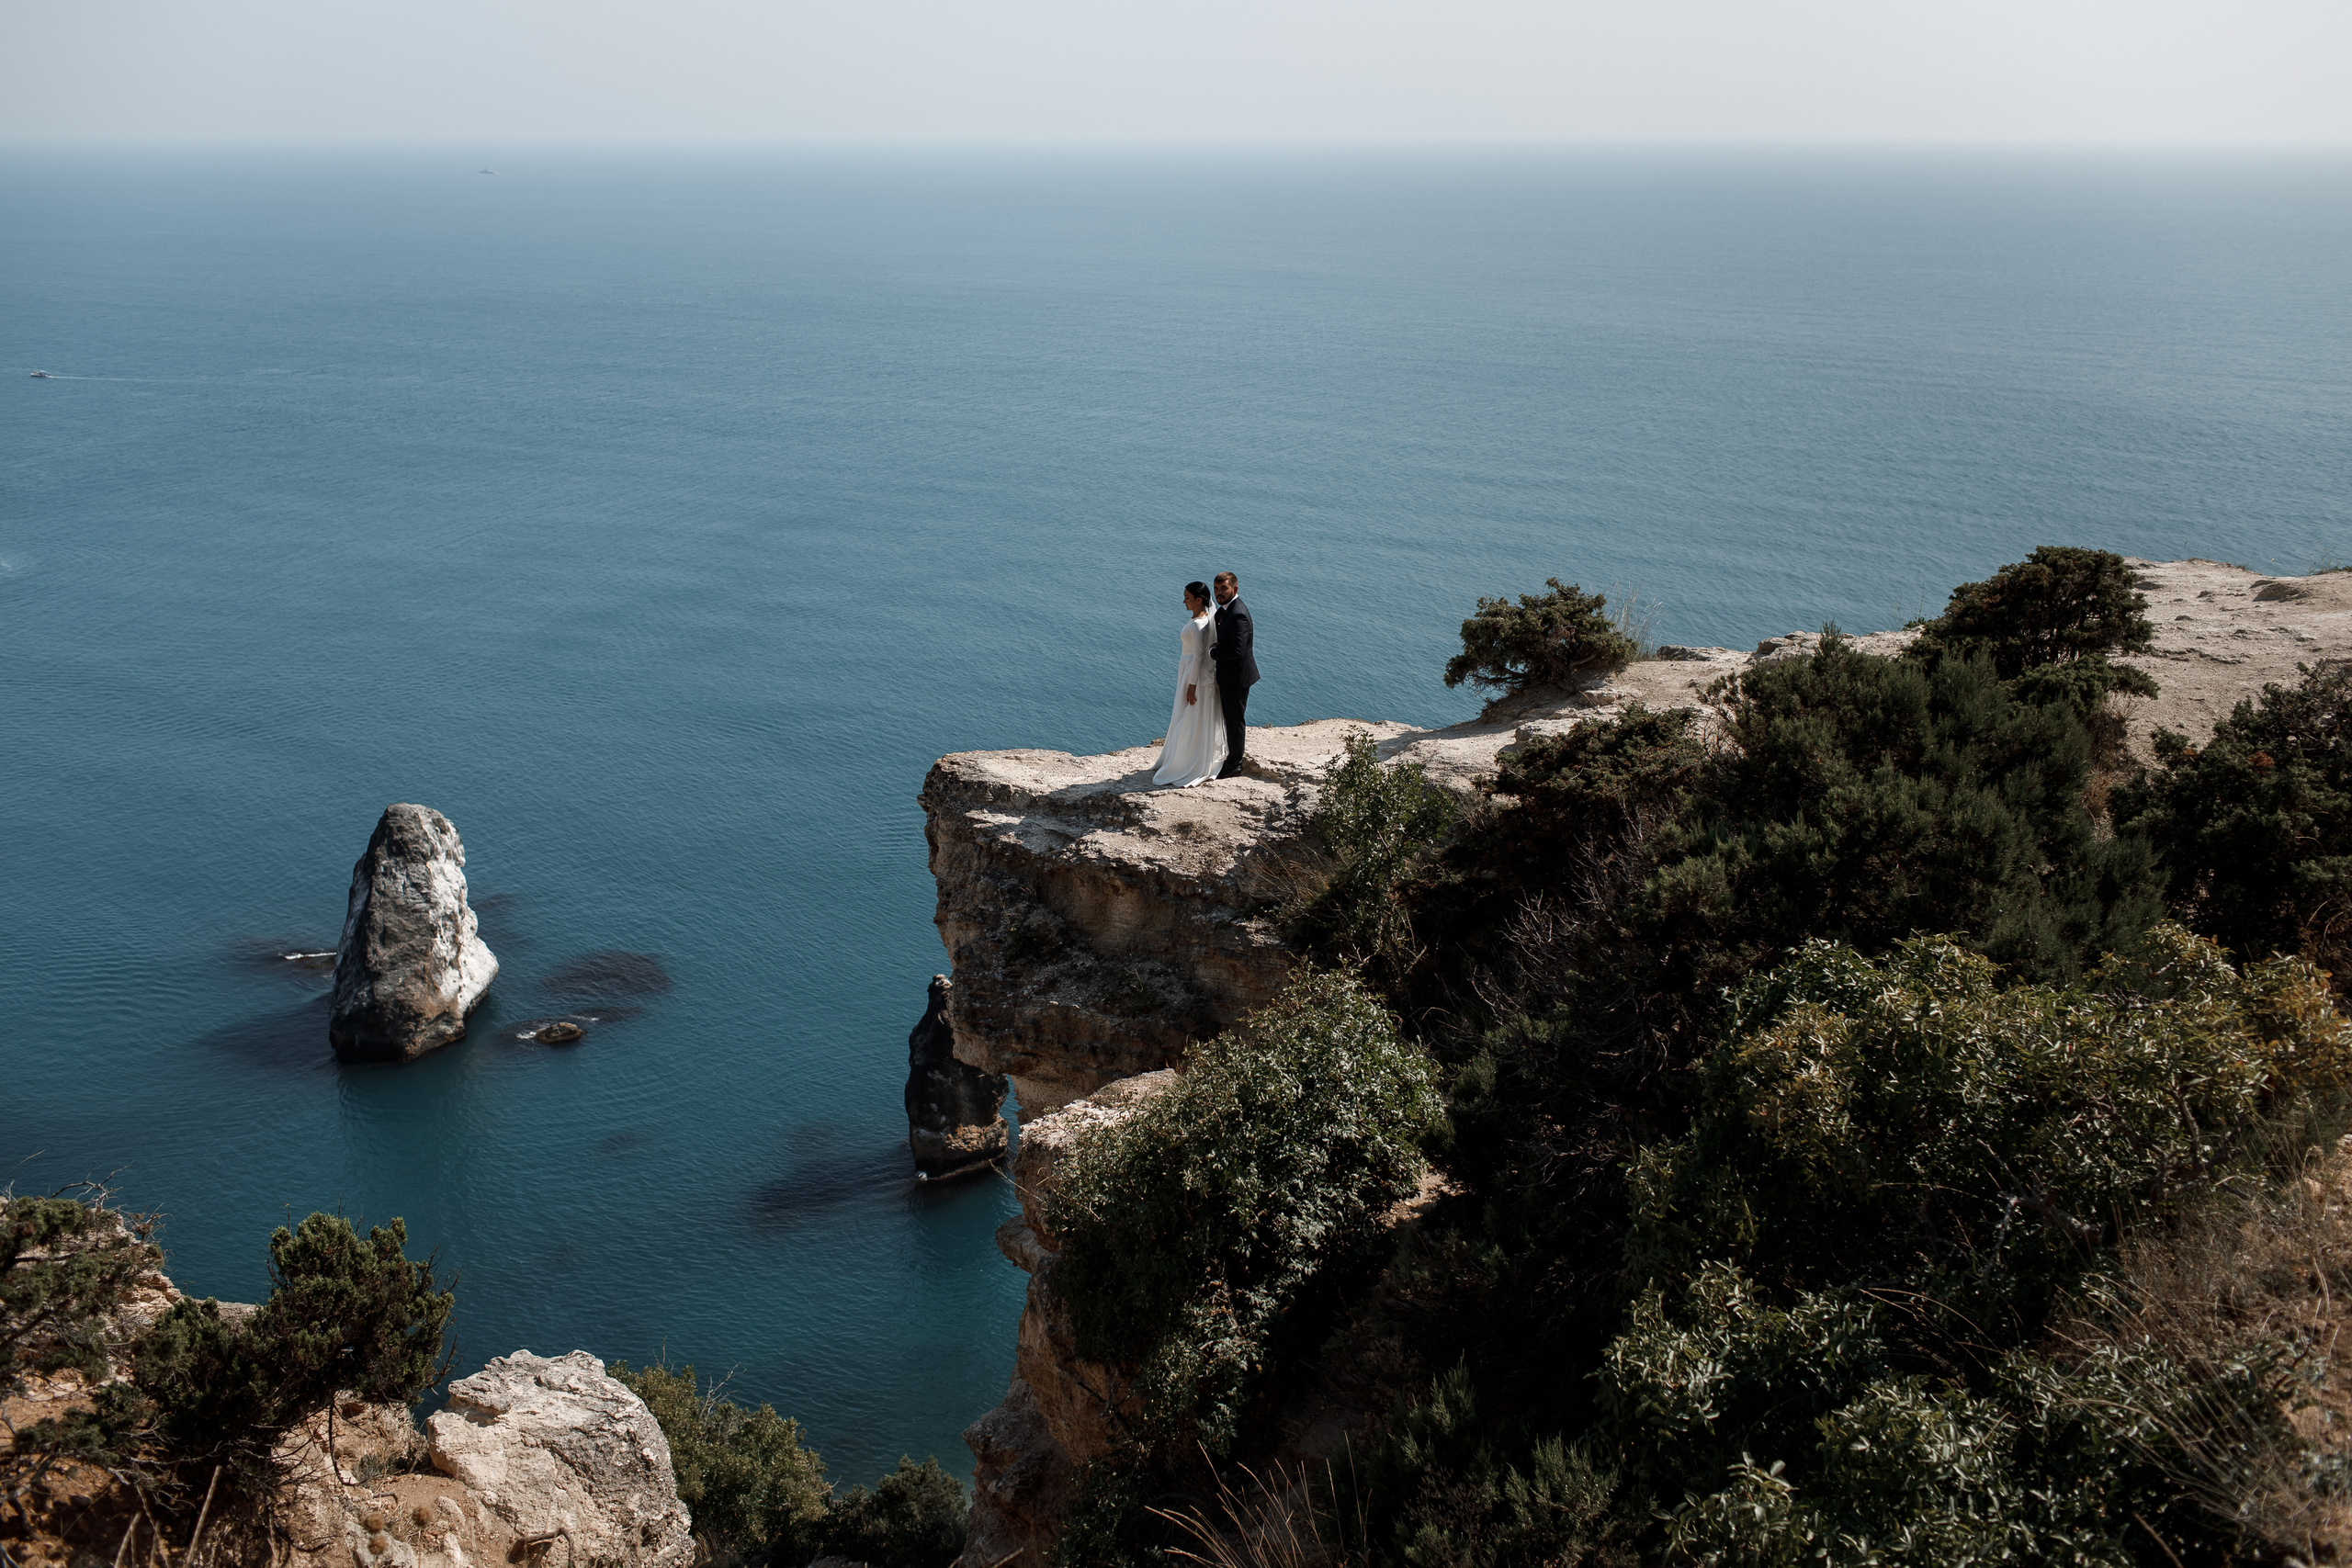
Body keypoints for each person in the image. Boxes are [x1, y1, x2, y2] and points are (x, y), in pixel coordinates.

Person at [1152, 581, 1227, 787]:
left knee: (1188, 714)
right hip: (1188, 670)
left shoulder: (1197, 624)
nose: (1183, 601)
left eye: (1187, 597)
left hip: (1191, 673)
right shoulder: (1200, 620)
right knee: (1188, 714)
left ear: (1199, 600)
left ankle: (1185, 760)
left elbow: (1198, 657)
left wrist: (1191, 686)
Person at [1208, 570, 1258, 777]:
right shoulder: (1224, 611)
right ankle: (1231, 757)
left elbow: (1237, 650)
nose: (1219, 593)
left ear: (1235, 589)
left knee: (1235, 720)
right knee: (1229, 718)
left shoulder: (1238, 613)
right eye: (1217, 589)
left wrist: (1213, 652)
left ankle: (1235, 763)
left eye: (1224, 589)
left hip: (1237, 678)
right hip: (1229, 676)